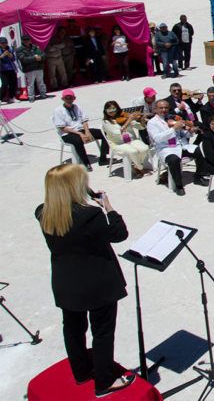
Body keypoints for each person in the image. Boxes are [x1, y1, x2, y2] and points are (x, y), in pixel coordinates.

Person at [36, 165, 136, 395]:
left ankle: (81, 371)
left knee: (73, 328)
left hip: (66, 283)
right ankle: (104, 382)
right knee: (102, 332)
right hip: (97, 284)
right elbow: (119, 234)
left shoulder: (42, 213)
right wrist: (107, 206)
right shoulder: (89, 215)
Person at [146, 100, 196, 194]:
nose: (164, 110)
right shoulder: (152, 123)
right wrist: (173, 128)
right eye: (161, 108)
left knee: (200, 150)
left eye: (166, 108)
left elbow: (183, 134)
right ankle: (178, 185)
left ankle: (199, 176)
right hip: (165, 148)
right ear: (155, 109)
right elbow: (157, 138)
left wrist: (190, 131)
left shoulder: (173, 118)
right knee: (174, 160)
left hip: (180, 145)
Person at [53, 90, 110, 171]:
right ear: (63, 99)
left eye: (70, 98)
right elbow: (62, 128)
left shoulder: (77, 107)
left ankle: (103, 159)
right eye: (66, 98)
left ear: (74, 98)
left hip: (80, 130)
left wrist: (87, 131)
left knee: (101, 132)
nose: (68, 99)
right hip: (67, 134)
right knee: (78, 140)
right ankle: (85, 163)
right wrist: (80, 134)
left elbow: (84, 120)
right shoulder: (58, 110)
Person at [100, 101, 151, 178]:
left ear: (117, 109)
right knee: (133, 151)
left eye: (114, 109)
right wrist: (129, 120)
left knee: (145, 148)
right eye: (109, 110)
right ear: (105, 111)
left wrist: (142, 120)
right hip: (118, 144)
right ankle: (140, 168)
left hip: (131, 140)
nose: (112, 112)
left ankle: (136, 166)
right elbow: (117, 133)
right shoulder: (106, 122)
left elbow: (140, 127)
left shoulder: (124, 117)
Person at [17, 34, 47, 101]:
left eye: (28, 40)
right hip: (29, 69)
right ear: (22, 41)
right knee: (31, 84)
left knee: (41, 82)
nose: (26, 41)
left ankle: (43, 94)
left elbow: (43, 54)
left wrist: (40, 57)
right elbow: (23, 59)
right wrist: (34, 58)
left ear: (30, 40)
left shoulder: (35, 47)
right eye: (24, 40)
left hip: (38, 67)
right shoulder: (19, 50)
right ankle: (31, 97)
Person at [0, 36, 18, 103]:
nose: (4, 44)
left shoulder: (10, 48)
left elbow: (13, 59)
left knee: (13, 83)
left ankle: (11, 97)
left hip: (11, 68)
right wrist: (3, 55)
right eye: (2, 43)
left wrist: (11, 56)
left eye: (5, 43)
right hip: (2, 69)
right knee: (4, 84)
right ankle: (1, 97)